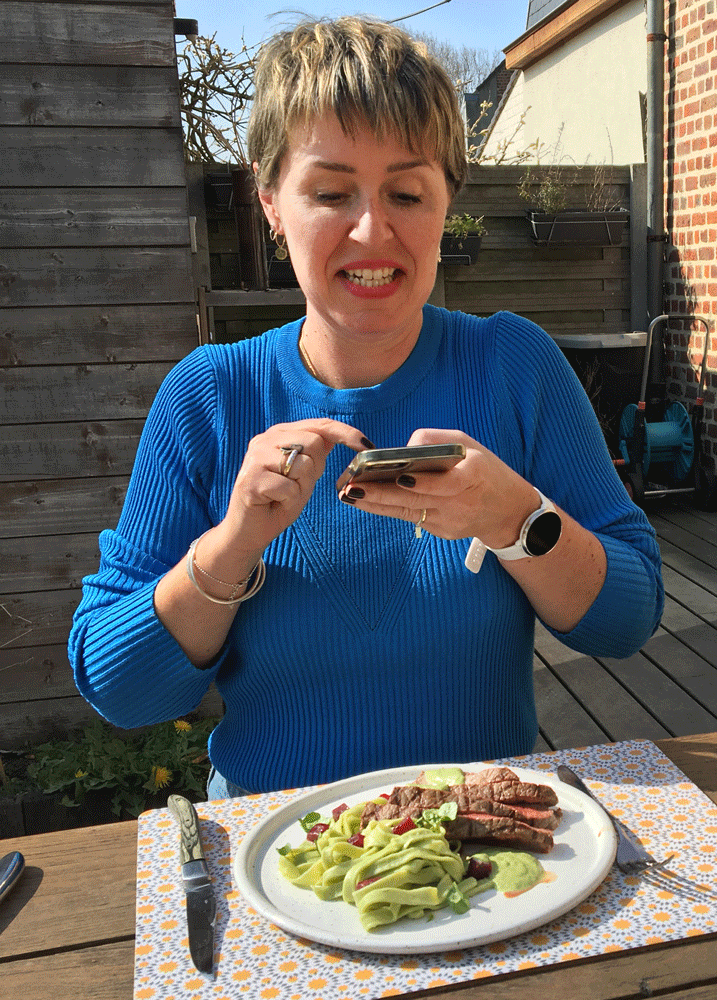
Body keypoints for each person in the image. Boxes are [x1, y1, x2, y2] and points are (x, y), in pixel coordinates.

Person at [69, 17, 664, 796]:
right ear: (270, 201)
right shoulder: (208, 395)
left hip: (478, 846)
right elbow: (123, 690)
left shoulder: (514, 366)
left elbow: (626, 620)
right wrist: (235, 542)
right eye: (330, 191)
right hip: (281, 855)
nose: (372, 230)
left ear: (450, 201)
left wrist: (517, 521)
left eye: (407, 192)